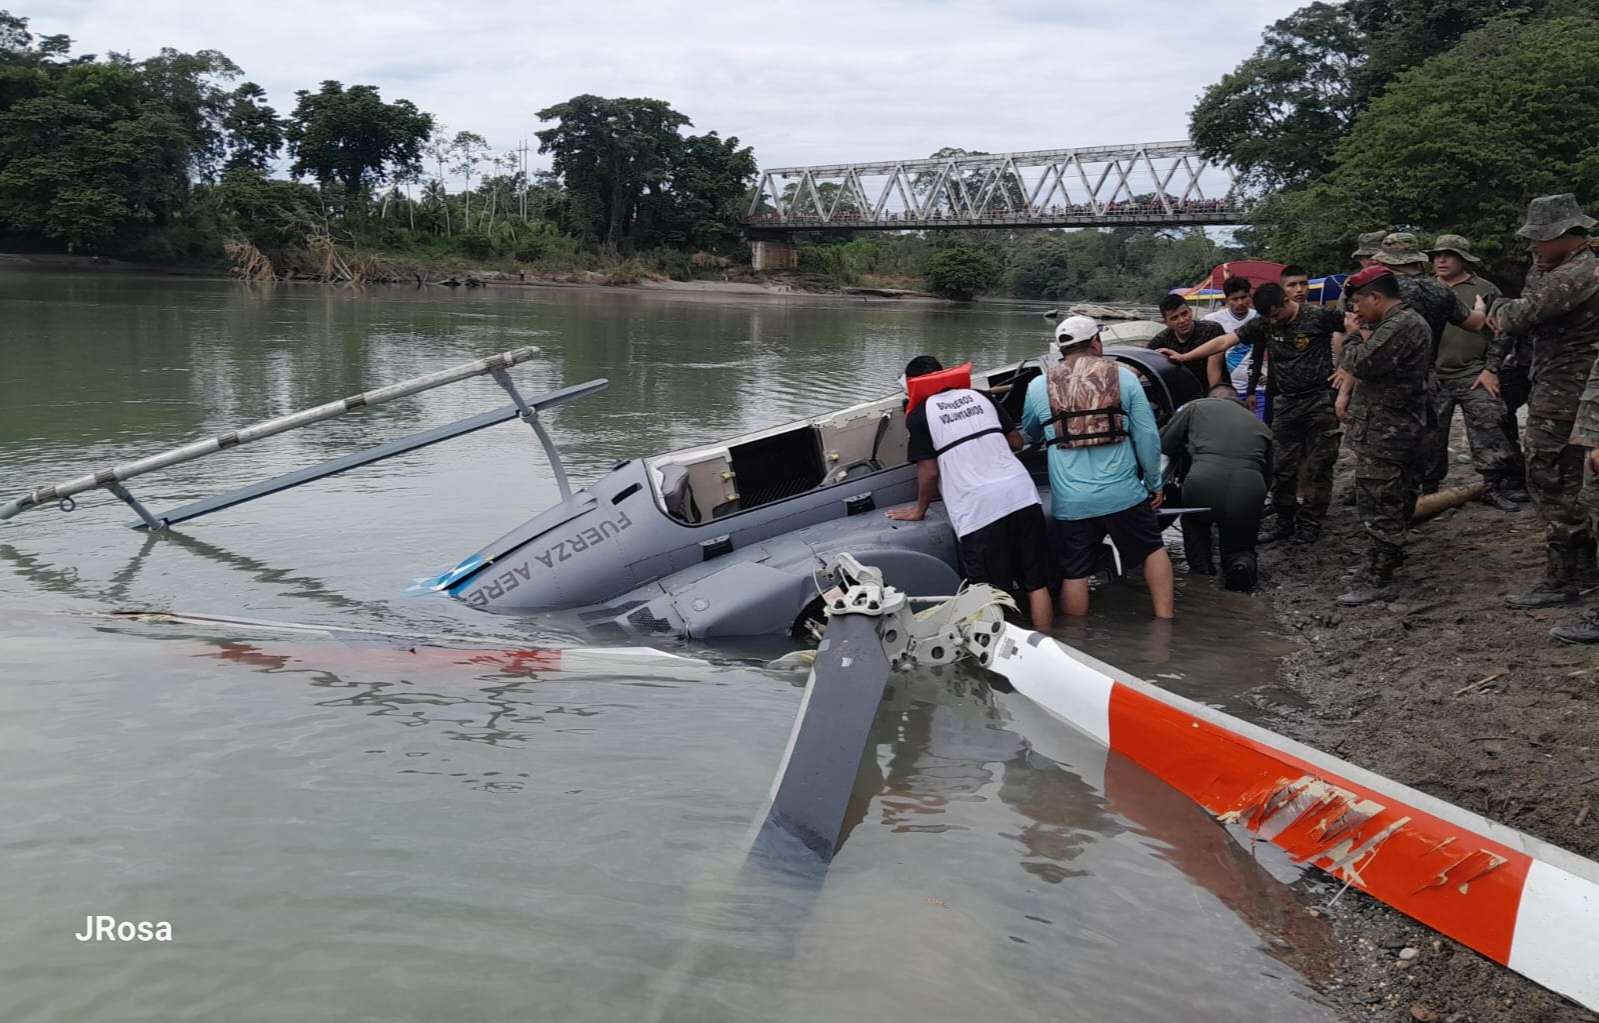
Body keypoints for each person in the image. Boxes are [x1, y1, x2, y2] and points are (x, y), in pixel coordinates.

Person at [1483, 195, 1599, 625]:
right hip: (1562, 386)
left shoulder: (1577, 273)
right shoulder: (1562, 268)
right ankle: (1579, 568)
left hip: (1567, 391)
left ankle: (1565, 576)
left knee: (1550, 475)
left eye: (1540, 239)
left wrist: (1496, 310)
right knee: (1567, 478)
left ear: (1565, 237)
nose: (1532, 247)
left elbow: (1519, 314)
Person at [1158, 282, 1344, 544]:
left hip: (1319, 400)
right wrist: (1184, 357)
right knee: (1281, 465)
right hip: (1286, 403)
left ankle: (1309, 525)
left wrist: (1348, 369)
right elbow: (1224, 341)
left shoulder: (1318, 316)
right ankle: (1283, 520)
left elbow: (1356, 327)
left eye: (1276, 315)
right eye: (1267, 317)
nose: (1273, 321)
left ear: (1284, 302)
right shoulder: (1265, 323)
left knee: (1319, 466)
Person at [1020, 315, 1173, 619]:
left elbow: (1030, 432)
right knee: (1152, 550)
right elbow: (1147, 437)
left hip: (1072, 501)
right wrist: (1154, 482)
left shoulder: (1039, 386)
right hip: (1124, 494)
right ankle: (1165, 622)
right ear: (1095, 343)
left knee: (1075, 572)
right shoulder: (1124, 378)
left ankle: (1078, 643)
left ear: (1061, 350)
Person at [888, 356, 1054, 629]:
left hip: (979, 510)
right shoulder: (980, 396)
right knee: (1037, 583)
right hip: (1022, 495)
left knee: (989, 595)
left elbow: (929, 472)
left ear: (913, 385)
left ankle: (997, 664)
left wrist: (919, 510)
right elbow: (1015, 441)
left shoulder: (920, 415)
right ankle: (1047, 641)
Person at [1334, 267, 1433, 605]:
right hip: (1390, 425)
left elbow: (1360, 363)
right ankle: (1382, 562)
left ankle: (1380, 577)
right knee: (1391, 497)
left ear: (1375, 297)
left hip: (1389, 430)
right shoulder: (1397, 323)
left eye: (1358, 302)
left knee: (1380, 501)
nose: (1356, 310)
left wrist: (1350, 335)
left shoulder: (1400, 325)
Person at [1421, 234, 1520, 511]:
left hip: (1474, 373)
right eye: (1436, 255)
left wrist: (1492, 369)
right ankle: (1427, 490)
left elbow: (1503, 332)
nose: (1440, 260)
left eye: (1448, 255)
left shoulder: (1486, 289)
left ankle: (1493, 486)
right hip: (1434, 375)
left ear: (1463, 258)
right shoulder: (1425, 289)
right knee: (1429, 435)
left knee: (1490, 425)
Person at [1160, 384, 1273, 591]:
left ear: (1212, 396)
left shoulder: (1196, 407)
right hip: (1249, 488)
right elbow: (1268, 475)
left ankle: (1203, 581)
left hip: (1202, 483)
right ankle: (1239, 569)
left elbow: (1165, 443)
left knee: (1195, 526)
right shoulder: (1261, 426)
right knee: (1240, 547)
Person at [1151, 293, 1226, 393]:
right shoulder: (1162, 338)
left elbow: (1214, 373)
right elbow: (1140, 363)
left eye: (1184, 314)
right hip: (1183, 391)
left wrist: (1213, 400)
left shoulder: (1211, 330)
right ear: (1165, 322)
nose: (1182, 320)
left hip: (1215, 390)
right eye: (1174, 318)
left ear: (1190, 311)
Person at [1205, 276, 1259, 396]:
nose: (1240, 303)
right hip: (1227, 391)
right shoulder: (1211, 321)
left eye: (1244, 297)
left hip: (1257, 389)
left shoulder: (1260, 318)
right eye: (1234, 299)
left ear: (1250, 295)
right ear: (1227, 299)